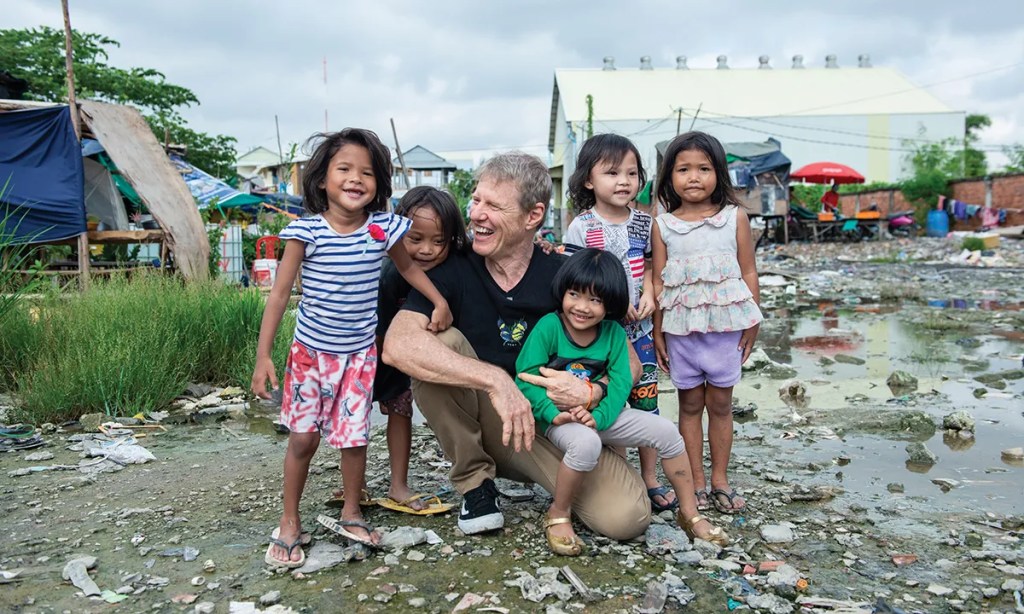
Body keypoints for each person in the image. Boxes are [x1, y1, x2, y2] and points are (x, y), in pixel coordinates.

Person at [382, 151, 652, 540]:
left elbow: (631, 364)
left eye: (493, 205)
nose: (476, 214)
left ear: (532, 217)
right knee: (440, 341)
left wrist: (593, 391)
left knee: (627, 518)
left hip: (547, 425)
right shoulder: (452, 268)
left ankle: (557, 475)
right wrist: (497, 381)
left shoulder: (565, 275)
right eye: (476, 200)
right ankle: (476, 483)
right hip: (483, 417)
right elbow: (399, 345)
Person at [251, 128, 452, 567]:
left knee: (353, 439)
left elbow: (409, 270)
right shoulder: (305, 232)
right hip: (309, 357)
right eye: (344, 169)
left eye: (367, 172)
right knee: (303, 439)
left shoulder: (383, 230)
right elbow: (280, 295)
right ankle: (289, 521)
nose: (355, 179)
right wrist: (264, 356)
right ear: (322, 179)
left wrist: (438, 300)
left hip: (359, 357)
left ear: (378, 183)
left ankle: (352, 512)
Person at [516, 248, 729, 555]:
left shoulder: (613, 333)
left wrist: (599, 416)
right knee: (586, 444)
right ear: (562, 291)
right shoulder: (550, 327)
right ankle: (558, 513)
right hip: (558, 419)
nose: (582, 307)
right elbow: (525, 378)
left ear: (611, 304)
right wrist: (551, 412)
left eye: (596, 300)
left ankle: (690, 512)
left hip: (601, 414)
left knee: (668, 434)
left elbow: (619, 385)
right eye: (574, 294)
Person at [562, 134, 676, 513]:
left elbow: (647, 269)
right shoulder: (581, 226)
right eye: (612, 173)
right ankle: (619, 476)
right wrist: (616, 304)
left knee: (645, 407)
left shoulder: (645, 222)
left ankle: (650, 478)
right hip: (601, 338)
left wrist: (647, 294)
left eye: (631, 172)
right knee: (608, 405)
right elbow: (577, 282)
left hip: (640, 332)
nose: (624, 181)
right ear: (589, 181)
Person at [651, 131, 763, 515]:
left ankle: (720, 480)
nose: (693, 177)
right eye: (683, 169)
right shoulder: (663, 225)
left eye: (704, 168)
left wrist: (753, 323)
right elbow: (659, 282)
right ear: (669, 177)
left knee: (721, 405)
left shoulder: (735, 218)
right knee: (689, 405)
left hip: (726, 328)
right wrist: (658, 331)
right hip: (681, 330)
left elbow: (748, 273)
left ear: (720, 174)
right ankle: (696, 481)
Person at [365, 186, 467, 514]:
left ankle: (398, 484)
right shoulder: (390, 274)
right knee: (354, 419)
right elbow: (378, 329)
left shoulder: (452, 267)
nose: (426, 250)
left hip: (408, 356)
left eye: (438, 241)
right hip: (372, 353)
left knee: (400, 413)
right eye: (415, 239)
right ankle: (354, 484)